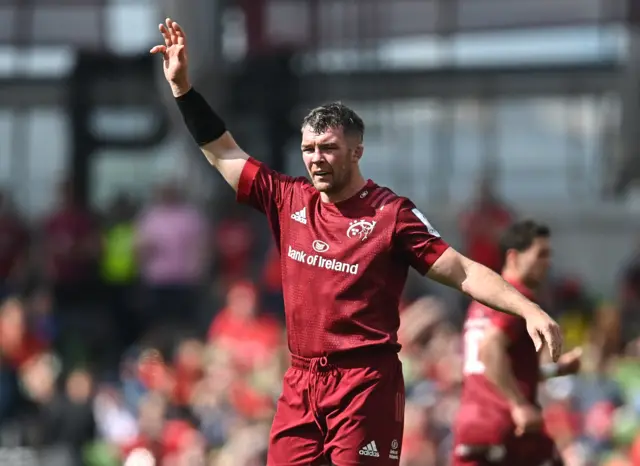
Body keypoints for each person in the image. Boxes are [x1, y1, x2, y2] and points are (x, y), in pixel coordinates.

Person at [151, 19, 563, 466]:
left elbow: (462, 271)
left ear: (356, 152)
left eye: (327, 148)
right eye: (309, 149)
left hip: (365, 383)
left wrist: (527, 308)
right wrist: (183, 90)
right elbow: (224, 151)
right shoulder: (288, 199)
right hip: (301, 381)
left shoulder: (391, 215)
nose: (316, 159)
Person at [452, 220, 582, 466]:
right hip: (507, 426)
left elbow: (494, 369)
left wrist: (557, 370)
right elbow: (489, 349)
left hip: (470, 425)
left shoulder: (480, 302)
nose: (547, 262)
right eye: (540, 254)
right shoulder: (517, 299)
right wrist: (519, 404)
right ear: (513, 257)